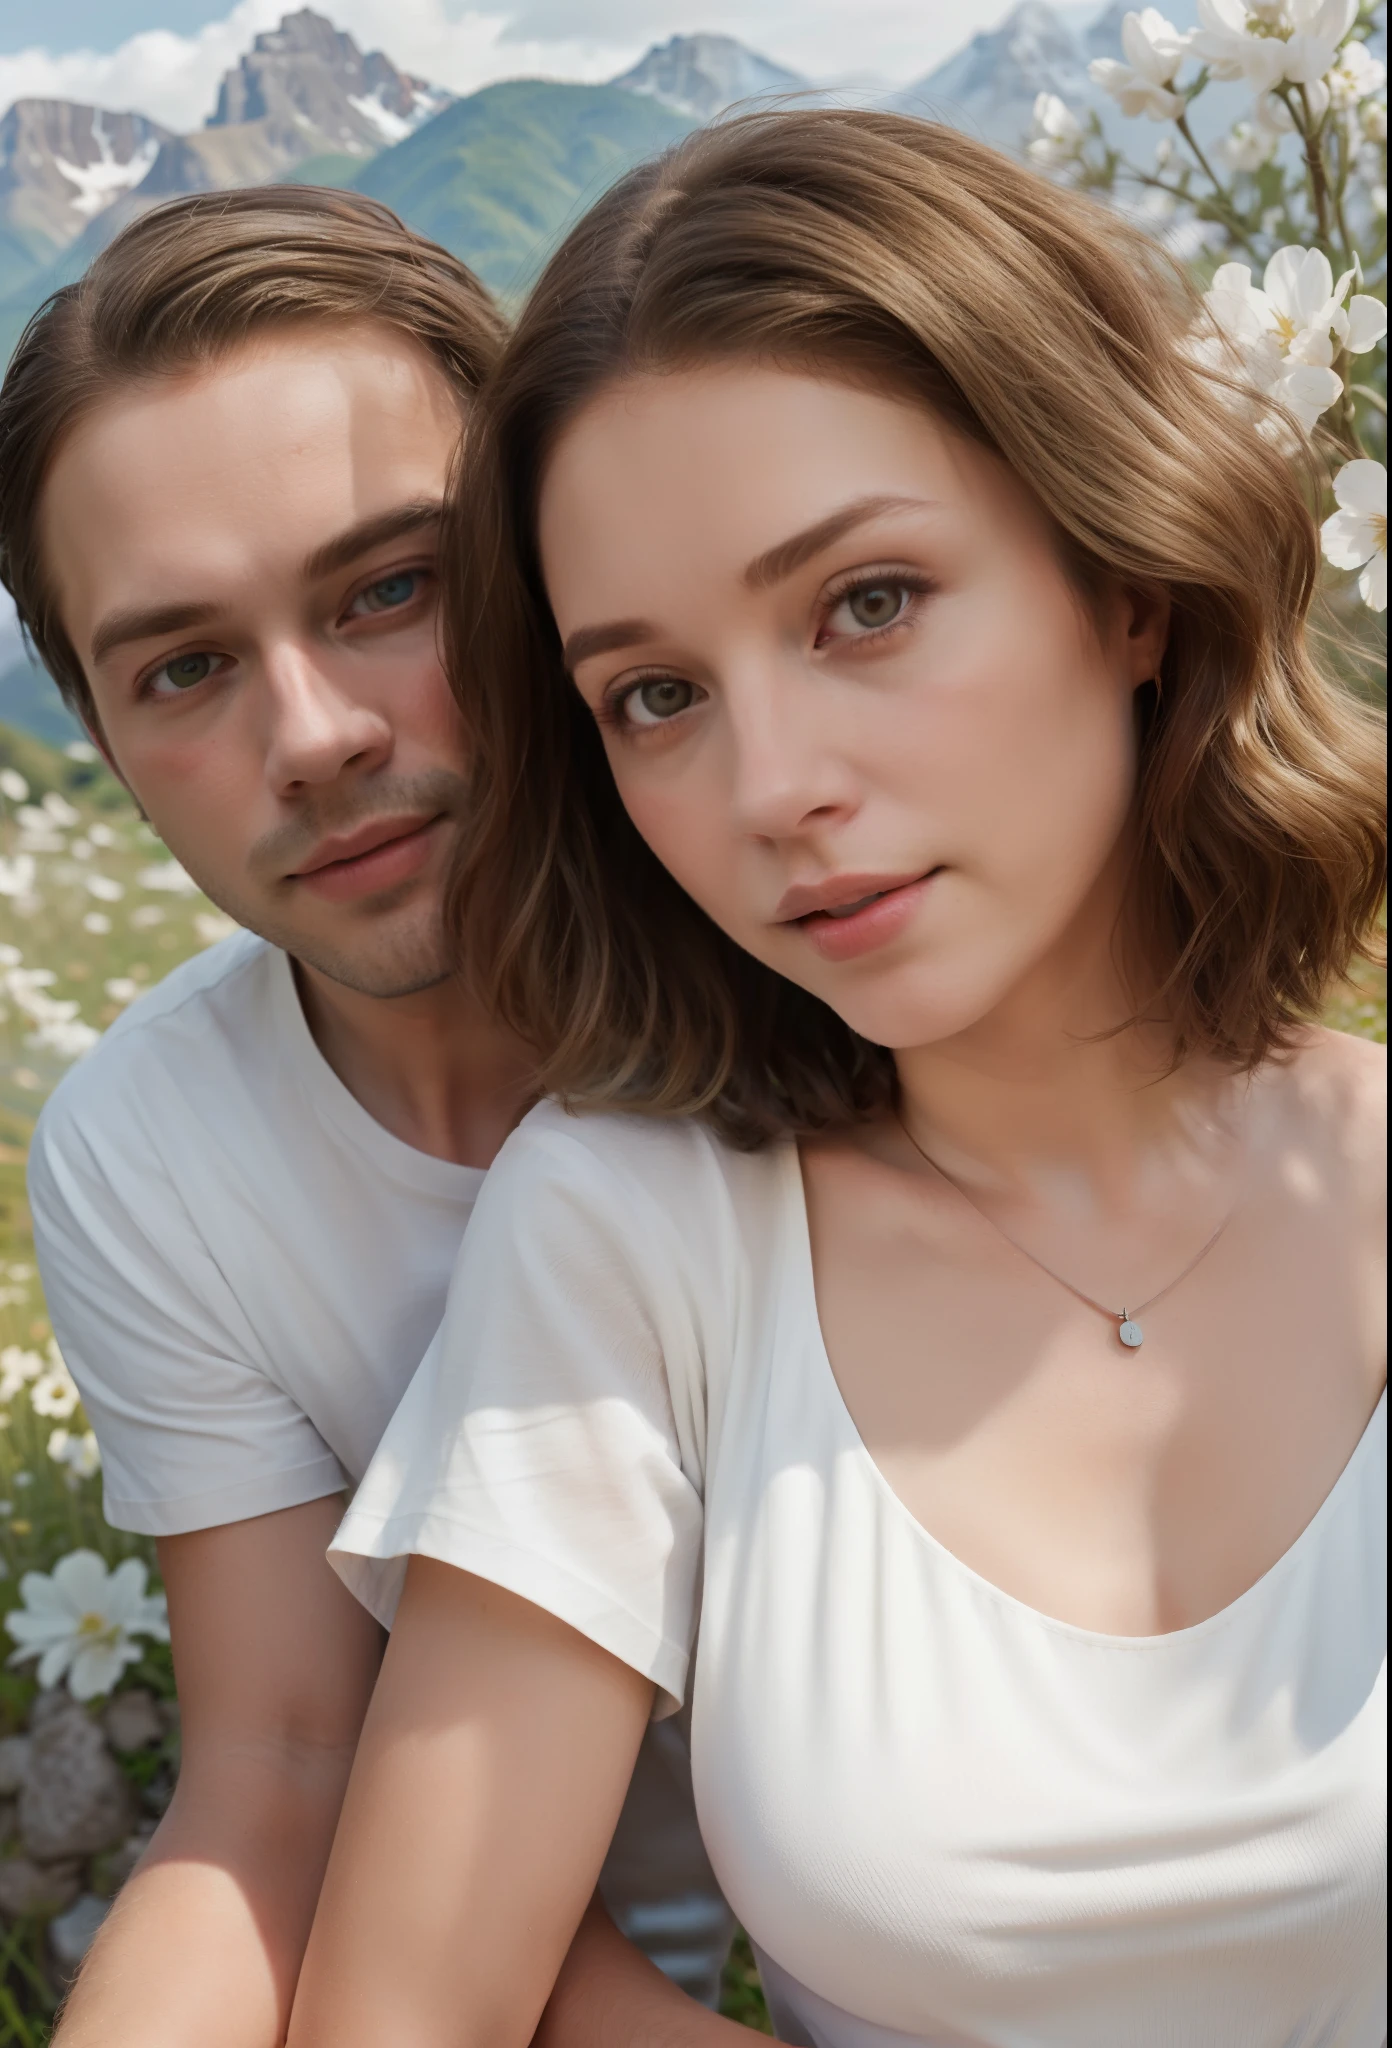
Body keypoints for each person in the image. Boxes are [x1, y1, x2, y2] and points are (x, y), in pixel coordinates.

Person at [292, 111, 1386, 2048]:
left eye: (865, 602)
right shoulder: (640, 1233)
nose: (769, 785)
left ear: (1124, 577)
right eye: (656, 695)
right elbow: (407, 2012)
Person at [0, 186, 735, 2048]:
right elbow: (282, 1778)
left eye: (389, 588)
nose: (314, 733)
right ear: (95, 728)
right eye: (184, 666)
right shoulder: (150, 1155)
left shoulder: (815, 989)